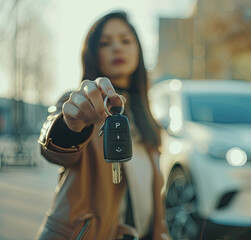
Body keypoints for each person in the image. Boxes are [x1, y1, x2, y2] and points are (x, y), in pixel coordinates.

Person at [36, 11, 170, 240]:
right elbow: (53, 150)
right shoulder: (78, 102)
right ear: (93, 54)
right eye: (105, 43)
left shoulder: (149, 120)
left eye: (125, 40)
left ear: (138, 49)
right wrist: (71, 126)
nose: (117, 48)